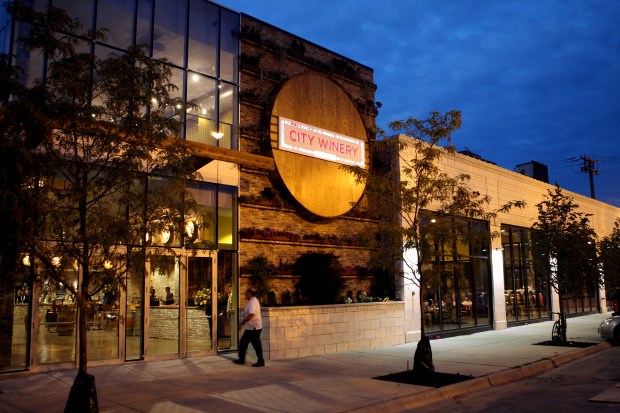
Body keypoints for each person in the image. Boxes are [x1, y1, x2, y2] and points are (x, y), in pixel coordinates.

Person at [234, 289, 264, 367]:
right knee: (243, 343)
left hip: (254, 328)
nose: (245, 295)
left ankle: (261, 361)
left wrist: (242, 323)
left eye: (246, 293)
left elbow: (251, 314)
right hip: (251, 328)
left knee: (255, 345)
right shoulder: (251, 301)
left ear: (250, 293)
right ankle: (241, 359)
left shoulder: (253, 302)